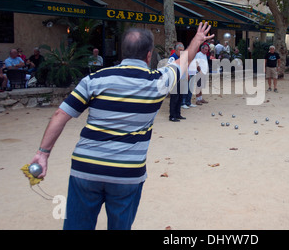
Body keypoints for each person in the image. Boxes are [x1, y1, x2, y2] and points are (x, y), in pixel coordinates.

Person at [28, 22, 214, 230]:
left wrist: (43, 153)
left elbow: (60, 113)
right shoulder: (158, 81)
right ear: (148, 55)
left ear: (123, 52)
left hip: (86, 167)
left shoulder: (94, 79)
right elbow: (184, 60)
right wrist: (197, 39)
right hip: (127, 173)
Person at [168, 43, 186, 122]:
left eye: (183, 50)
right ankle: (172, 116)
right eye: (180, 50)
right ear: (176, 50)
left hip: (181, 80)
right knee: (174, 98)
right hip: (175, 81)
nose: (182, 51)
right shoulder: (172, 58)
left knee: (180, 98)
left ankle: (178, 114)